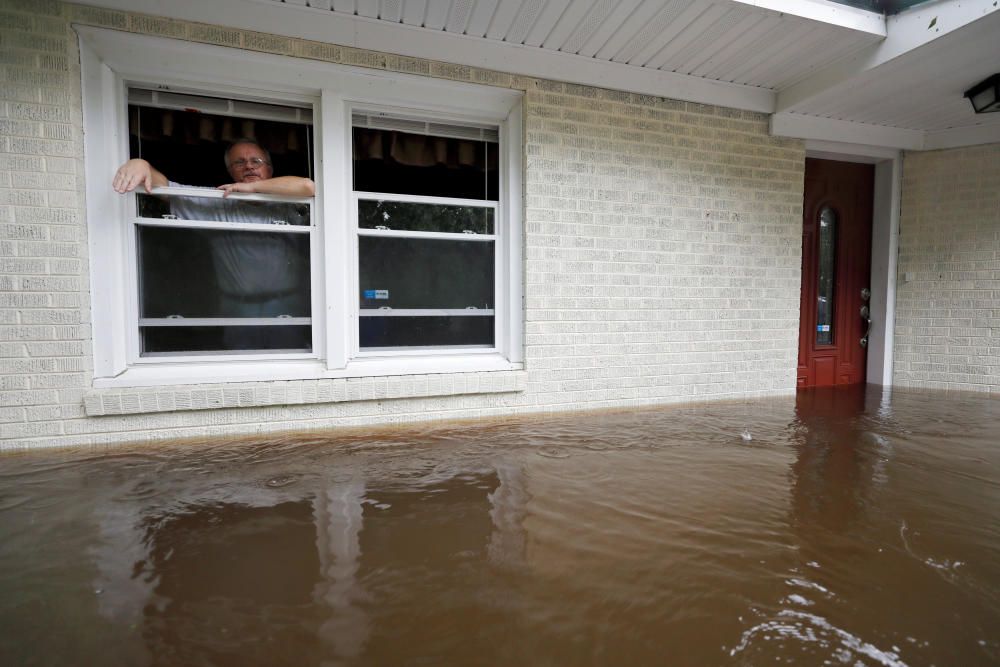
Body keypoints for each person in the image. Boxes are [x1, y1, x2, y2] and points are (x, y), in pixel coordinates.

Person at [112, 139, 316, 351]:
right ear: (230, 171)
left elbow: (307, 187)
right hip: (237, 308)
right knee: (242, 370)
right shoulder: (219, 202)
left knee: (289, 365)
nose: (249, 166)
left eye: (256, 161)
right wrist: (141, 164)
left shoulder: (289, 206)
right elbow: (165, 188)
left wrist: (251, 187)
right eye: (239, 162)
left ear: (270, 168)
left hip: (287, 305)